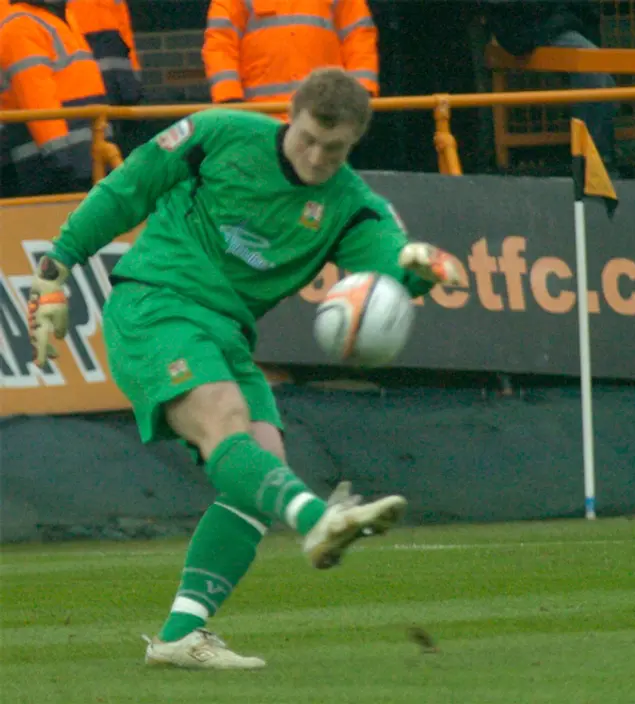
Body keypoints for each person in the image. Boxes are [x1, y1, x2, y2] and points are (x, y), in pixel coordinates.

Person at [28, 68, 460, 670]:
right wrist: (54, 276)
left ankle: (182, 634)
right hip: (156, 303)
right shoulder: (217, 134)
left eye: (333, 149)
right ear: (291, 116)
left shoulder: (353, 206)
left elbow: (385, 266)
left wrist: (417, 266)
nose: (315, 157)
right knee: (226, 422)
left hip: (228, 334)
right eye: (308, 138)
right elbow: (127, 189)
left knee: (259, 473)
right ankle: (321, 519)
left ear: (354, 143)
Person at [485, 1, 617, 171]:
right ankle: (594, 163)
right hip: (533, 25)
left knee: (602, 81)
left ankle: (596, 161)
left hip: (555, 22)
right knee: (595, 76)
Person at [0, 0, 108, 196]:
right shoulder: (21, 25)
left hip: (86, 157)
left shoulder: (61, 19)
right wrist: (60, 159)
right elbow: (37, 98)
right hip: (53, 166)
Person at [203, 0, 379, 119]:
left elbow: (358, 37)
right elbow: (221, 43)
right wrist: (230, 99)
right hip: (262, 119)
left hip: (325, 115)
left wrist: (361, 93)